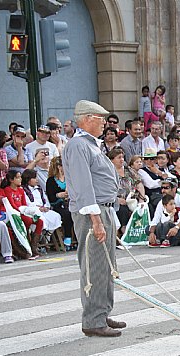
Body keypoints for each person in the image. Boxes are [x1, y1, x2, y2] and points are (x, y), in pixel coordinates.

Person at [62, 99, 124, 338]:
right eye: (100, 119)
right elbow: (83, 185)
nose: (104, 124)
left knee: (107, 266)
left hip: (103, 209)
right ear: (87, 119)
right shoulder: (78, 145)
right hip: (92, 212)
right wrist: (96, 220)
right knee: (94, 266)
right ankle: (93, 319)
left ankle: (102, 312)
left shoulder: (91, 144)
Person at [3, 169, 43, 259]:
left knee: (40, 221)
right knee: (27, 221)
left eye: (20, 177)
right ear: (11, 180)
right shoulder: (8, 190)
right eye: (17, 177)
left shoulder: (21, 190)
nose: (20, 179)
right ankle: (21, 248)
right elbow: (11, 204)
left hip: (23, 211)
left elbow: (24, 203)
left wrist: (26, 211)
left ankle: (33, 247)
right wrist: (21, 211)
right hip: (15, 213)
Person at [148, 177, 180, 247]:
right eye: (162, 188)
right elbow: (156, 219)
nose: (163, 191)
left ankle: (167, 240)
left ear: (174, 189)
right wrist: (152, 233)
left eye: (166, 188)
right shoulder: (161, 202)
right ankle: (172, 240)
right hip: (167, 229)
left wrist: (176, 228)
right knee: (148, 228)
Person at [107, 147, 146, 237]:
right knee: (122, 209)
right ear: (112, 160)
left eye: (122, 157)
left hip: (132, 198)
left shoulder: (129, 170)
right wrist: (117, 199)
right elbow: (106, 189)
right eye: (119, 157)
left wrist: (141, 199)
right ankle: (124, 229)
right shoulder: (109, 173)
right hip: (117, 200)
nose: (122, 159)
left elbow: (139, 184)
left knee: (146, 207)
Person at [21, 168, 62, 248]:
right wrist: (38, 208)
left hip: (43, 209)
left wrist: (46, 207)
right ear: (28, 179)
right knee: (41, 219)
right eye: (34, 178)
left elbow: (45, 199)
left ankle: (47, 235)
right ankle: (39, 238)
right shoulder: (24, 190)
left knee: (56, 216)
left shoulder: (39, 189)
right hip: (33, 211)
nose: (37, 180)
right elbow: (27, 202)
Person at [45, 156, 75, 251]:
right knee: (67, 213)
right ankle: (67, 236)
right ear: (59, 167)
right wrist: (58, 195)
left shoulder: (70, 178)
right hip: (58, 205)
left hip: (71, 202)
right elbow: (51, 197)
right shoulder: (51, 181)